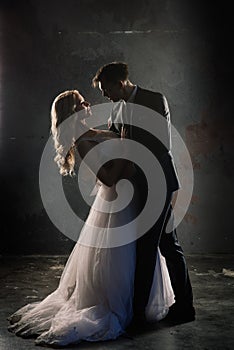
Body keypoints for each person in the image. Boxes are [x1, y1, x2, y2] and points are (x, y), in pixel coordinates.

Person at [7, 89, 175, 347]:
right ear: (72, 113)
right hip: (115, 200)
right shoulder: (82, 142)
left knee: (139, 251)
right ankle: (122, 306)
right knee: (121, 256)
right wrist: (126, 150)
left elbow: (120, 143)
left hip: (126, 197)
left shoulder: (91, 132)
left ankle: (138, 303)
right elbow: (107, 177)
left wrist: (123, 142)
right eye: (79, 103)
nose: (87, 104)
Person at [92, 62, 195, 326]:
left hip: (158, 182)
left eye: (107, 89)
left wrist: (129, 157)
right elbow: (116, 136)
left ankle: (137, 314)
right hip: (140, 186)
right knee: (167, 244)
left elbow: (161, 142)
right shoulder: (117, 107)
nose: (105, 95)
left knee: (148, 246)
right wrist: (91, 133)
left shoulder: (154, 100)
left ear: (120, 83)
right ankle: (185, 308)